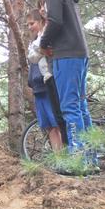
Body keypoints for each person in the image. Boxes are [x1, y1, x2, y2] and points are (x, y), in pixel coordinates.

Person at [29, 0, 93, 156]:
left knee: (69, 107)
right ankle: (90, 158)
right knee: (81, 107)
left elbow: (55, 22)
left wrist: (42, 45)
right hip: (79, 54)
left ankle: (78, 159)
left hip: (66, 56)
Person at [27, 9, 63, 150]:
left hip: (48, 84)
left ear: (41, 21)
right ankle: (58, 158)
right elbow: (32, 57)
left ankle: (65, 156)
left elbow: (41, 55)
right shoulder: (34, 42)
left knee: (56, 124)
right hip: (37, 88)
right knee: (48, 126)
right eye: (28, 25)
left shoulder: (47, 38)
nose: (30, 27)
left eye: (32, 23)